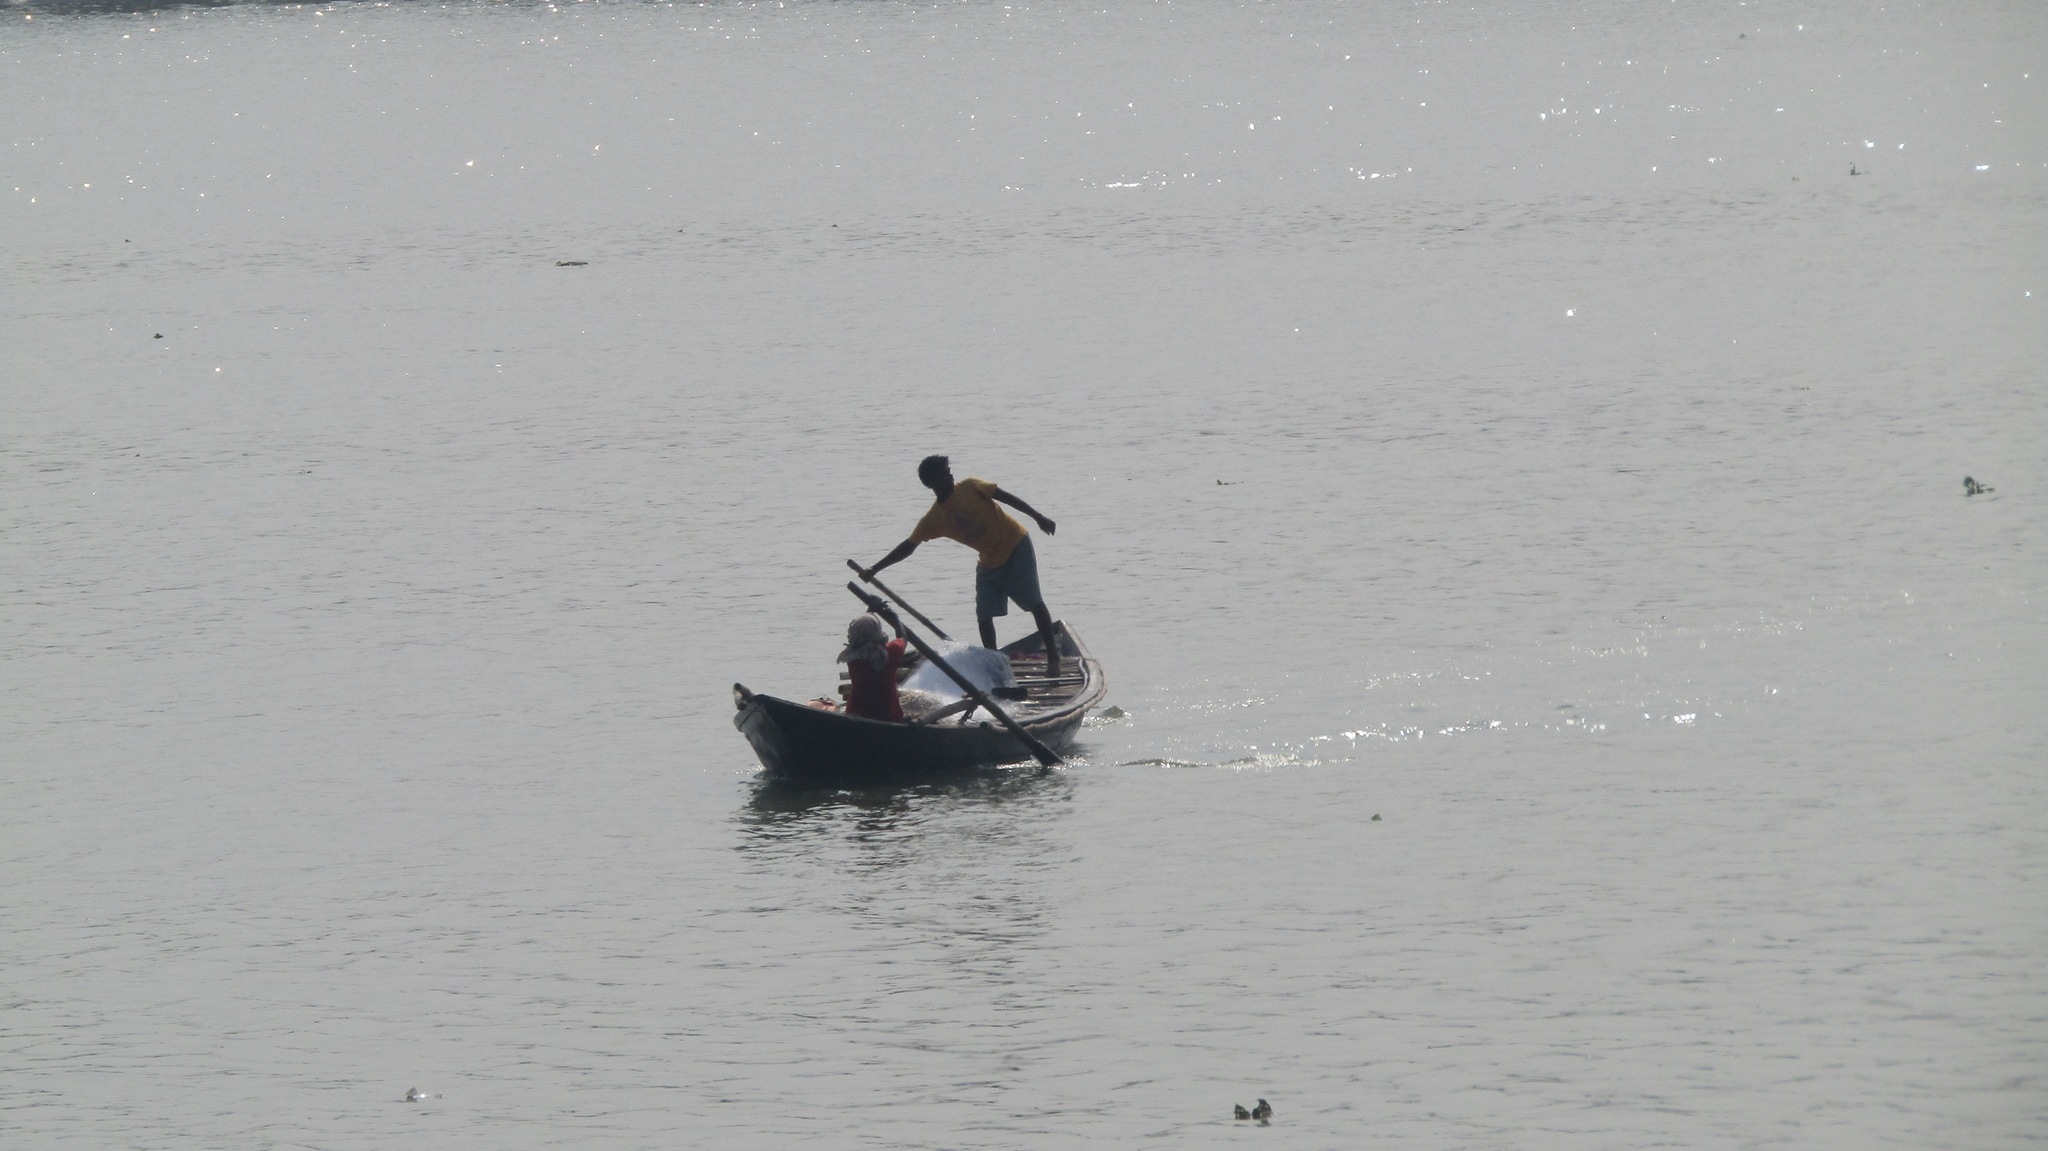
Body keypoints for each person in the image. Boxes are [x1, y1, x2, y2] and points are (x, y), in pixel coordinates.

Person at [860, 455, 1062, 678]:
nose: (950, 474)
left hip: (1016, 545)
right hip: (989, 561)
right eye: (944, 472)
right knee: (984, 616)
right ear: (933, 482)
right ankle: (994, 665)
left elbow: (1006, 498)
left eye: (949, 470)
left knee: (1033, 602)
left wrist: (1038, 517)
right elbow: (909, 546)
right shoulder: (935, 518)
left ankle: (1053, 658)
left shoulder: (970, 486)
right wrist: (875, 569)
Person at [838, 613, 907, 722]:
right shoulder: (891, 652)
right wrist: (894, 618)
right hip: (888, 715)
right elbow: (902, 637)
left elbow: (862, 631)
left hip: (856, 712)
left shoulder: (852, 657)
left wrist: (871, 610)